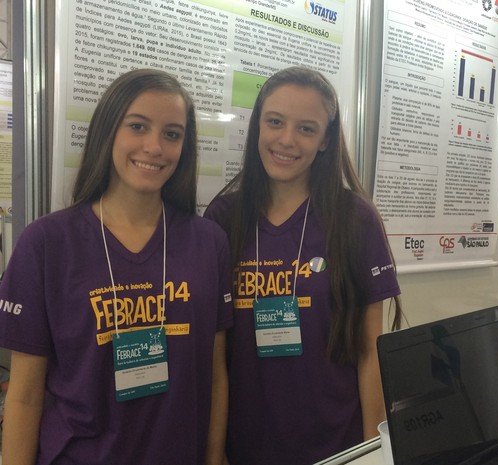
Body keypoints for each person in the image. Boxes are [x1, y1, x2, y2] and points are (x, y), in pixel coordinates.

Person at [0, 69, 233, 465]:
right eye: (138, 126)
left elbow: (214, 375)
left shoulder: (208, 242)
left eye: (172, 134)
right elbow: (23, 395)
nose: (154, 147)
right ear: (109, 130)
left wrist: (214, 458)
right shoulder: (48, 243)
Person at [204, 66, 403, 465]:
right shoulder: (223, 218)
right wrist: (215, 452)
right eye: (275, 122)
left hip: (337, 446)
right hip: (246, 446)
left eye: (306, 129)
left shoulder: (354, 219)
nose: (286, 140)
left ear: (326, 139)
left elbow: (370, 354)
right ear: (258, 125)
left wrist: (372, 453)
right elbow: (214, 359)